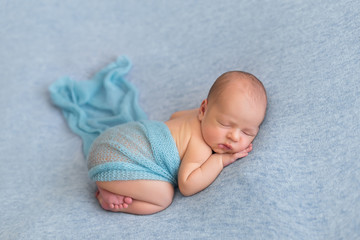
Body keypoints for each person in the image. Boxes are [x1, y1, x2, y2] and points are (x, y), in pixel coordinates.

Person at [91, 71, 267, 215]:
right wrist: (219, 161)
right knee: (163, 197)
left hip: (115, 137)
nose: (234, 137)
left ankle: (111, 183)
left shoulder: (193, 115)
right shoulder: (200, 146)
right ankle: (108, 197)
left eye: (247, 132)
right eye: (225, 124)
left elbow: (174, 116)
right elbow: (187, 185)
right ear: (204, 110)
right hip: (117, 161)